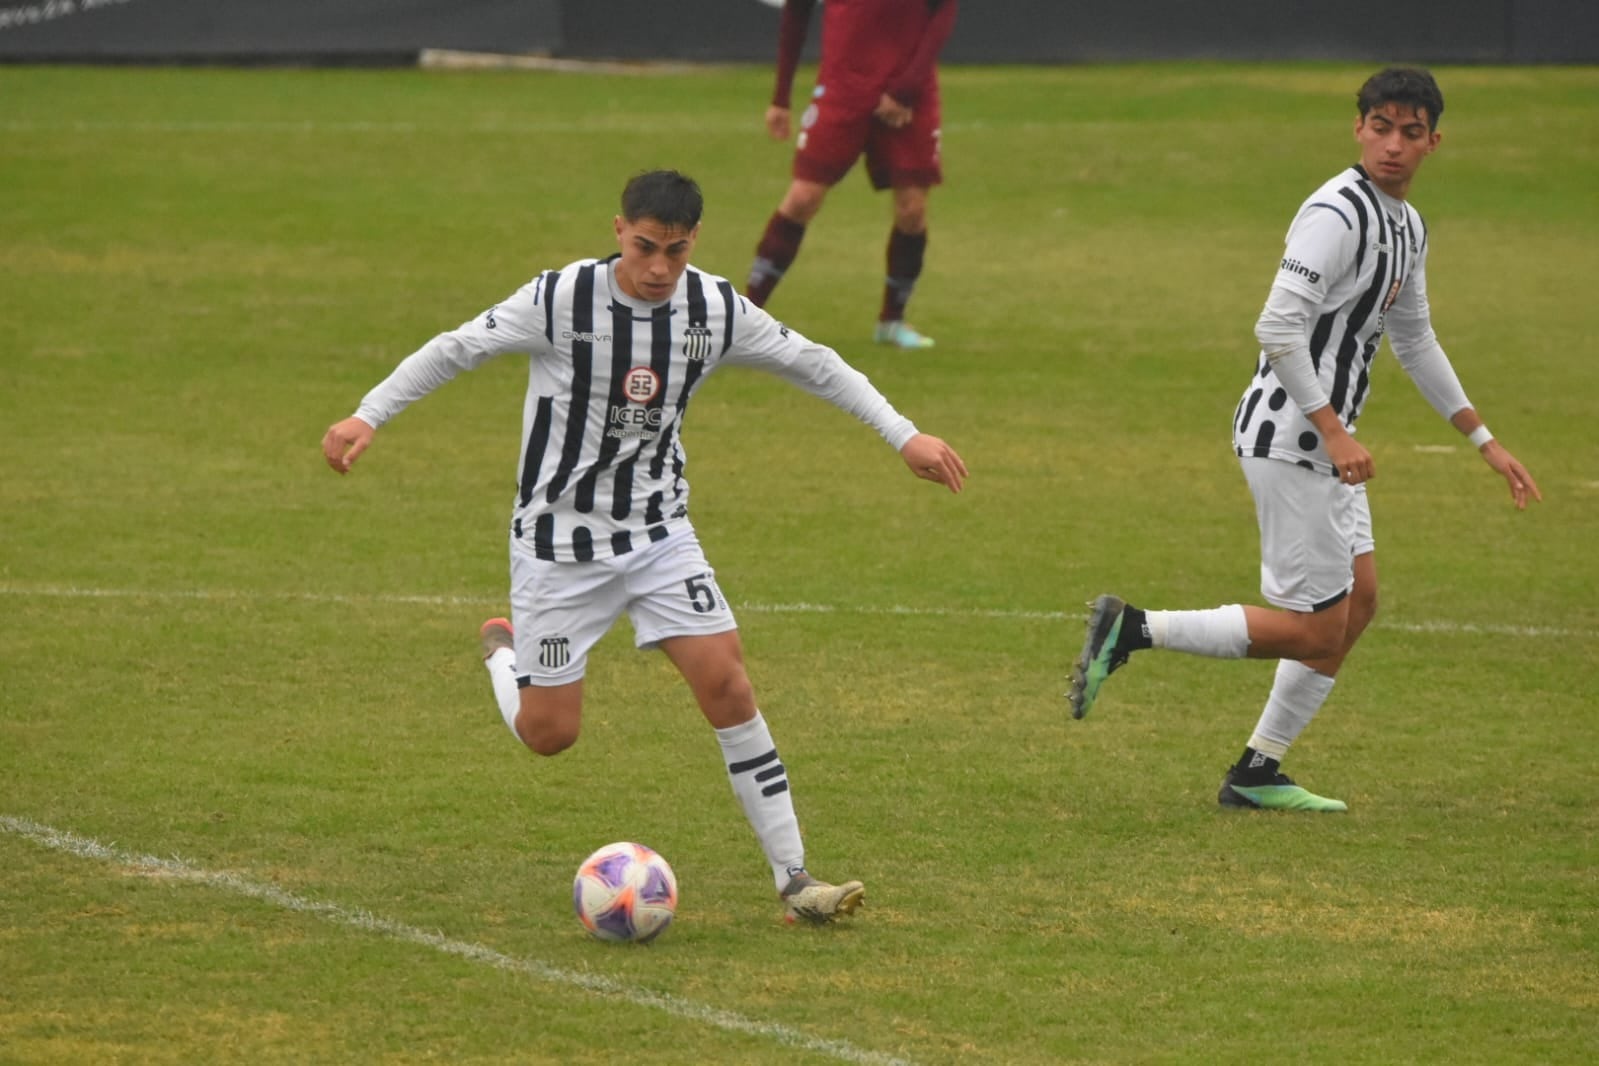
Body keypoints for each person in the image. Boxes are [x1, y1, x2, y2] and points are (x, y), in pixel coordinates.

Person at [322, 169, 967, 922]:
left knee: (727, 685)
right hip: (558, 546)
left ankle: (796, 882)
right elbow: (455, 348)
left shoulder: (714, 309)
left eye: (677, 251)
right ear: (617, 231)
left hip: (660, 536)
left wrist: (903, 434)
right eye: (645, 247)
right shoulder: (560, 299)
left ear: (696, 244)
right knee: (549, 735)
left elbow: (815, 364)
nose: (659, 268)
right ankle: (505, 654)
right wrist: (368, 415)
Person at [1066, 68, 1541, 812]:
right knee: (1318, 633)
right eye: (1378, 127)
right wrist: (1331, 430)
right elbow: (1276, 326)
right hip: (1292, 437)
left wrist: (1483, 439)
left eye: (1408, 132)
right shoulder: (1336, 213)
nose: (1391, 144)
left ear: (1432, 142)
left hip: (1324, 444)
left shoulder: (1405, 225)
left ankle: (1257, 770)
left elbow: (1413, 339)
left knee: (1360, 604)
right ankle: (1131, 629)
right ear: (1357, 128)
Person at [745, 0, 959, 350]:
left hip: (909, 89)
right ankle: (747, 316)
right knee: (803, 197)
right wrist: (781, 96)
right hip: (843, 86)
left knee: (912, 208)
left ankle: (892, 321)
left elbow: (944, 10)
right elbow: (797, 12)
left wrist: (907, 87)